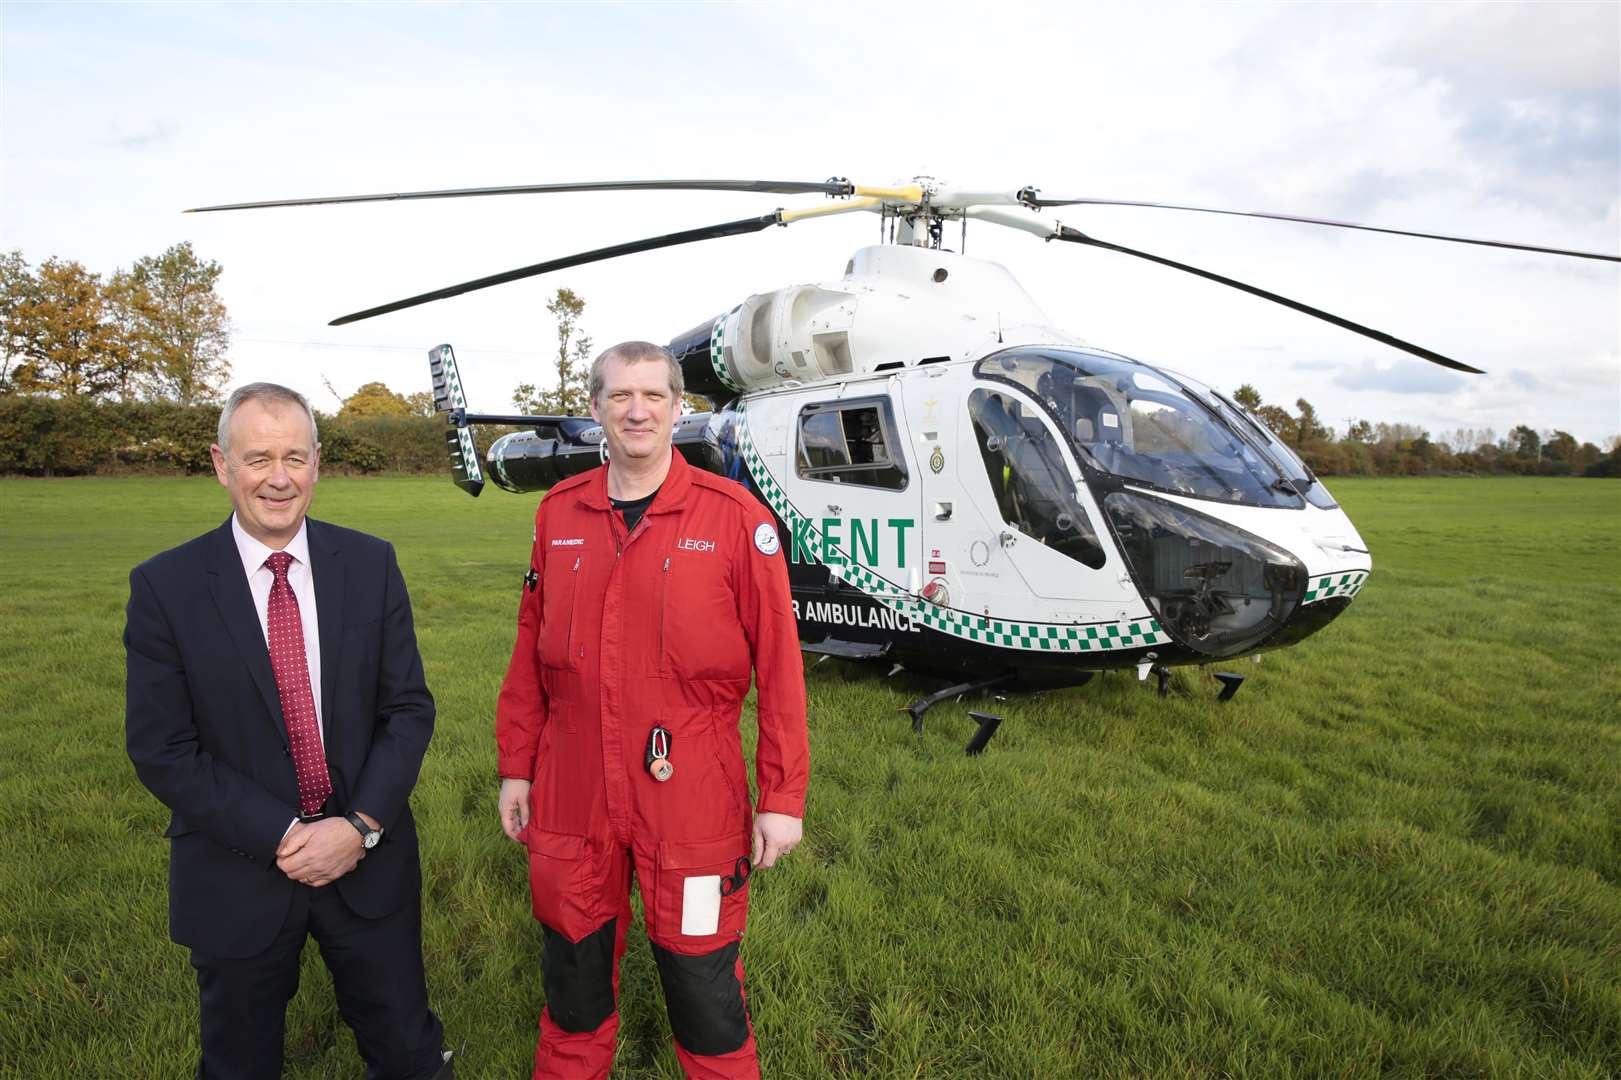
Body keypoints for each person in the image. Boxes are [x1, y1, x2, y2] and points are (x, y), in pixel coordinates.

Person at [496, 341, 809, 1080]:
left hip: (692, 792)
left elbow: (781, 669)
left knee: (704, 990)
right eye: (619, 396)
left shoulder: (734, 518)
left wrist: (782, 797)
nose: (636, 410)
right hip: (571, 788)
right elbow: (527, 654)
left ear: (678, 407)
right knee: (572, 988)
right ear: (597, 408)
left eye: (653, 396)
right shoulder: (558, 514)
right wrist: (517, 767)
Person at [124, 382, 452, 1079]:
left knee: (407, 1050)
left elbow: (407, 710)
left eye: (295, 458)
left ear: (318, 463)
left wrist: (357, 826)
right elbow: (163, 749)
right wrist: (285, 834)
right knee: (239, 1063)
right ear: (221, 464)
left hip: (367, 861)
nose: (279, 478)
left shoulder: (369, 563)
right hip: (237, 869)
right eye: (258, 458)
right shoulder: (165, 586)